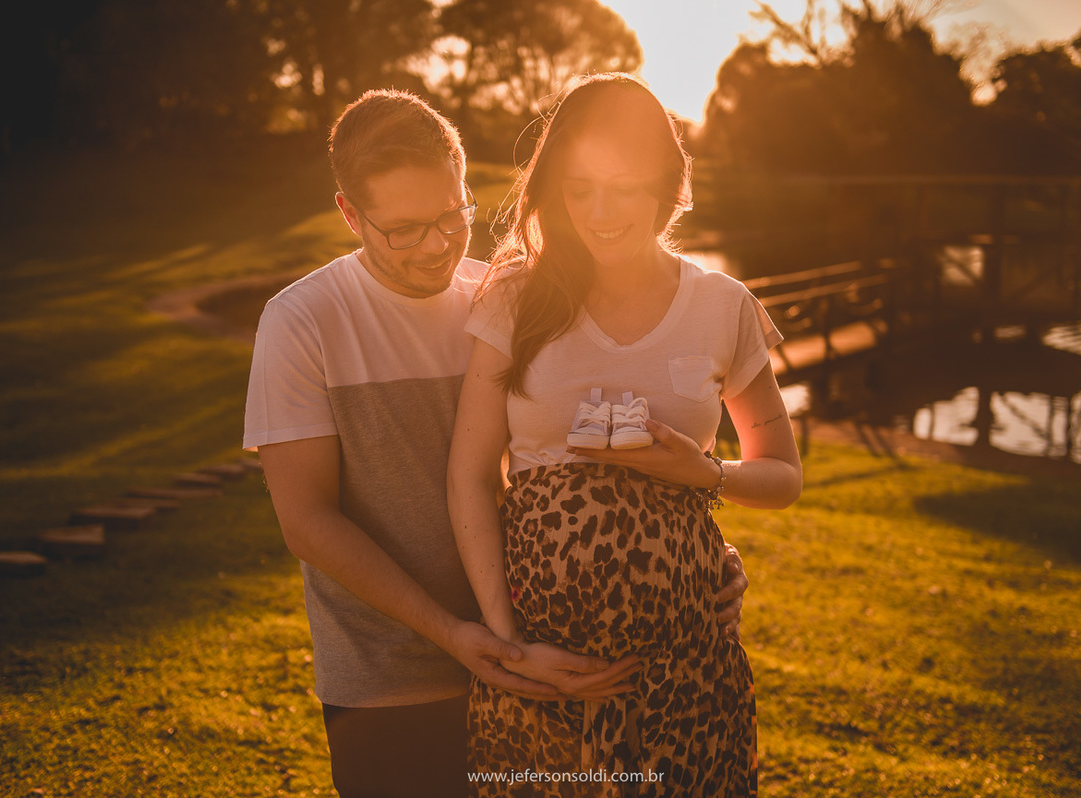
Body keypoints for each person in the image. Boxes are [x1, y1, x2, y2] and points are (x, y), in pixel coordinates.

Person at [243, 88, 750, 798]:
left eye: (454, 216)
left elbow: (570, 460)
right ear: (350, 214)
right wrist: (459, 636)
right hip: (394, 678)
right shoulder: (302, 322)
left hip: (542, 652)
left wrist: (693, 558)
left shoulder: (512, 300)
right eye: (404, 229)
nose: (438, 246)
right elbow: (307, 522)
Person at [447, 74, 803, 796]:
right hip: (546, 667)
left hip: (688, 664)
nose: (599, 213)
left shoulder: (722, 306)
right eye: (579, 189)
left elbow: (783, 476)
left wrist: (706, 474)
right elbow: (471, 477)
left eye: (625, 188)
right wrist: (509, 642)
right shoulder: (515, 299)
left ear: (670, 187)